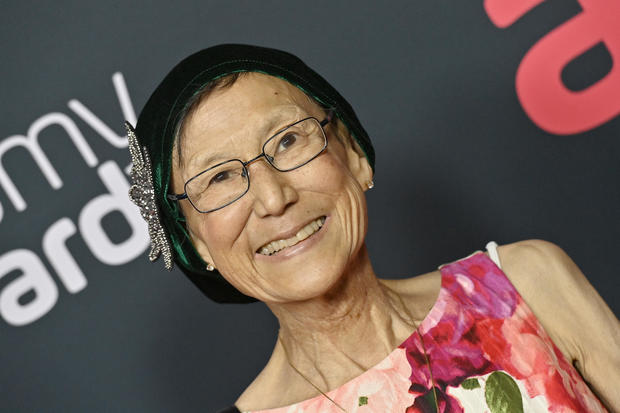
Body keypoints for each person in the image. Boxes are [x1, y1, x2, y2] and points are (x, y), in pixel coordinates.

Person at [126, 44, 619, 413]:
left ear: (354, 154)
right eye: (220, 177)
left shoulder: (522, 285)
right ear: (192, 242)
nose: (274, 197)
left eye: (288, 141)